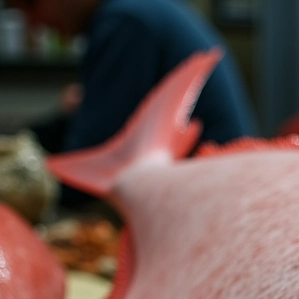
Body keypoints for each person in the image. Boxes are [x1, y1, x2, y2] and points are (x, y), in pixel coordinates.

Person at [12, 0, 258, 206]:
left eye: (31, 5)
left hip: (213, 201)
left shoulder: (125, 23)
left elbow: (91, 161)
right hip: (218, 187)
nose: (33, 24)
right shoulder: (136, 11)